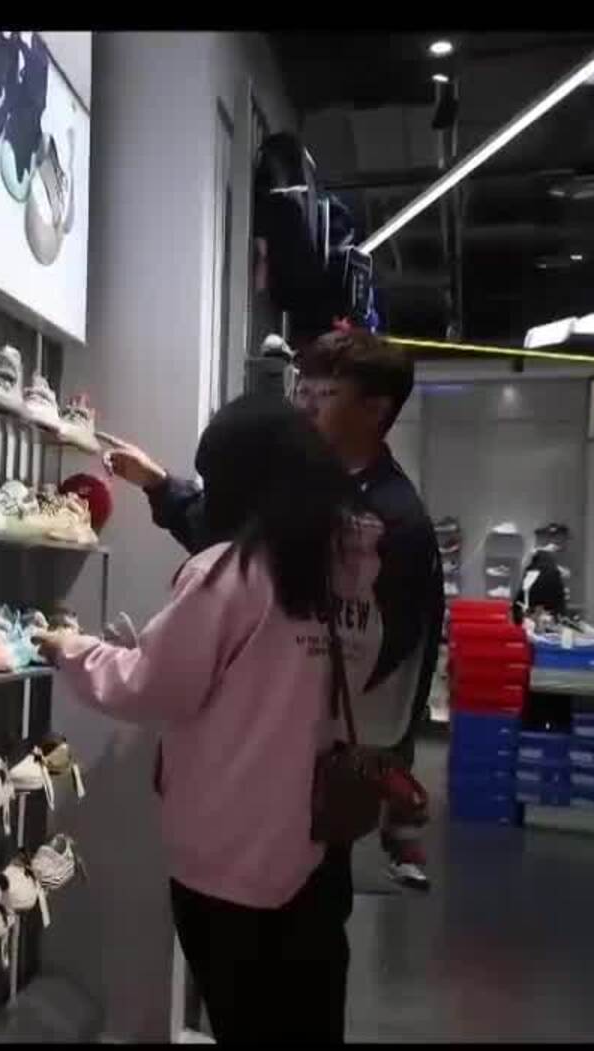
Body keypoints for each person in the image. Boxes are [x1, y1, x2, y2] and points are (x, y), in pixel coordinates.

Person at [35, 395, 384, 1041]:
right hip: (318, 837)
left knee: (242, 1017)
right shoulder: (350, 569)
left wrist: (73, 649)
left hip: (231, 844)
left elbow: (152, 688)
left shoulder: (233, 571)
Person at [104, 327, 441, 890]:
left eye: (323, 395)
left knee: (297, 905)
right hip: (270, 761)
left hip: (317, 764)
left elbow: (396, 658)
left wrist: (369, 756)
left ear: (375, 409)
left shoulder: (392, 522)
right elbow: (234, 538)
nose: (303, 407)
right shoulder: (310, 484)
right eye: (300, 390)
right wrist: (160, 486)